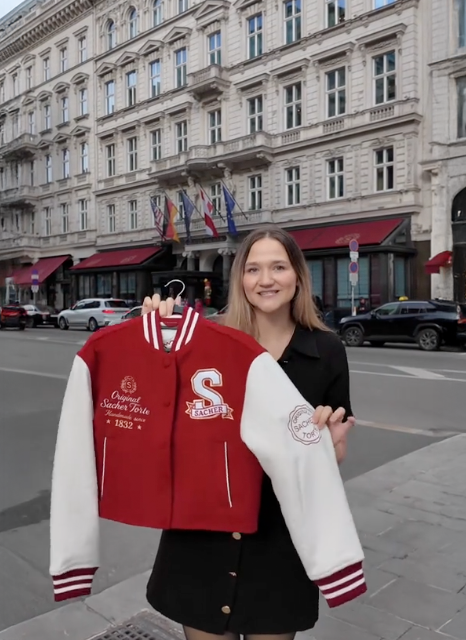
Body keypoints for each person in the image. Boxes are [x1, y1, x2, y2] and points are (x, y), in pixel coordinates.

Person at [142, 227, 355, 640]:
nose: (266, 279)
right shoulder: (202, 342)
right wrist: (155, 339)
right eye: (253, 269)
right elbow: (158, 414)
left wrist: (333, 449)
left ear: (297, 275)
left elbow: (329, 451)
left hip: (279, 543)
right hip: (203, 534)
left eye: (278, 266)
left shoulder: (328, 351)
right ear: (241, 279)